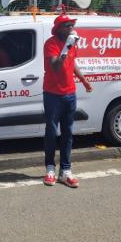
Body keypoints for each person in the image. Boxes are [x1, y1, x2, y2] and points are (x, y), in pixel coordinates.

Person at [42, 15, 93, 188]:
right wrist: (67, 47)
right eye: (68, 25)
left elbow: (72, 64)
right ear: (59, 28)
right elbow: (55, 66)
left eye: (72, 25)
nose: (71, 28)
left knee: (68, 133)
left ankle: (66, 171)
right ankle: (50, 168)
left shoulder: (70, 44)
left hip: (70, 93)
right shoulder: (51, 44)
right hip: (52, 94)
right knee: (51, 132)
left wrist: (84, 80)